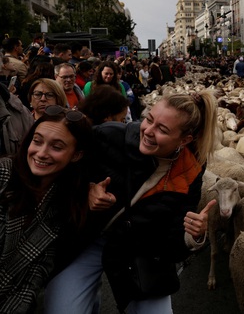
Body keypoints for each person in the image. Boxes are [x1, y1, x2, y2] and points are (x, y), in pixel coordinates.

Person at [44, 90, 219, 314]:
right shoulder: (108, 136)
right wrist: (86, 191)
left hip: (140, 248)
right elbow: (62, 171)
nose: (148, 131)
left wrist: (191, 235)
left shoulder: (190, 170)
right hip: (88, 239)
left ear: (185, 140)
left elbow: (173, 239)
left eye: (163, 130)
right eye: (149, 119)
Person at [0, 105, 91, 313]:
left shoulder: (65, 206)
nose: (41, 153)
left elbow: (36, 274)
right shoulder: (4, 175)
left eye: (56, 147)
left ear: (76, 155)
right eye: (37, 141)